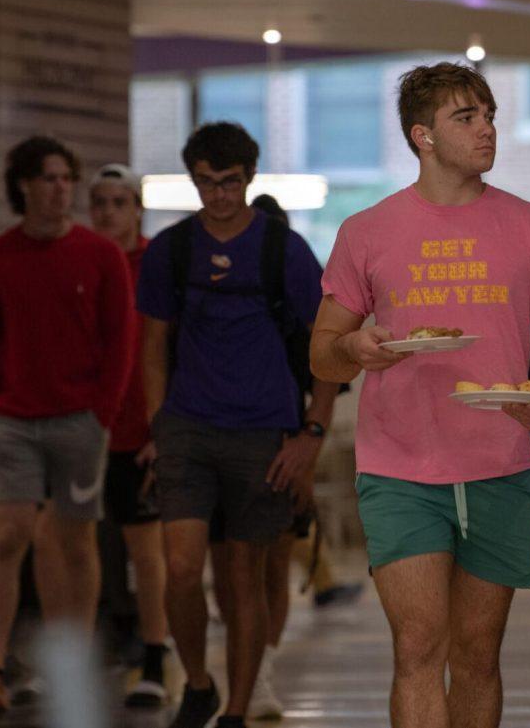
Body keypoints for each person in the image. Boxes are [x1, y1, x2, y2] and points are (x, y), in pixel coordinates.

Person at [311, 62, 530, 728]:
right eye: (466, 117)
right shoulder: (368, 230)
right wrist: (354, 348)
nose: (486, 128)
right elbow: (322, 351)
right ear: (423, 136)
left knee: (475, 655)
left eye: (489, 114)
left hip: (500, 463)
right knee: (416, 647)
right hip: (399, 469)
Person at [138, 122, 327, 728]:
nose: (218, 195)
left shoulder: (283, 250)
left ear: (249, 179)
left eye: (230, 183)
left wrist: (312, 434)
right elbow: (152, 343)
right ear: (193, 180)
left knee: (245, 573)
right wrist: (158, 424)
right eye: (206, 183)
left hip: (264, 431)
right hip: (189, 427)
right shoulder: (172, 248)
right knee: (184, 566)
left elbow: (329, 343)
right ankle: (196, 681)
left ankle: (238, 709)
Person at [0, 137, 134, 716]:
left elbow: (120, 341)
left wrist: (100, 414)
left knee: (75, 540)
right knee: (8, 533)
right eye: (49, 178)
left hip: (79, 420)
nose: (61, 188)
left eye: (66, 178)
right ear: (24, 186)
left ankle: (73, 663)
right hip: (13, 420)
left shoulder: (100, 255)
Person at [208, 191, 345, 721]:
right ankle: (252, 669)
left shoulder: (300, 314)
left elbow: (324, 382)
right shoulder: (222, 302)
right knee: (232, 568)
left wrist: (307, 454)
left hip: (283, 440)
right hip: (226, 437)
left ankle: (261, 669)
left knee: (270, 566)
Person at [87, 163, 170, 707]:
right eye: (100, 202)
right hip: (86, 429)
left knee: (147, 550)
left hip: (141, 429)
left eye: (120, 201)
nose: (109, 212)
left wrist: (162, 429)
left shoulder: (155, 265)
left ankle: (156, 658)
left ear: (136, 207)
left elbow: (167, 351)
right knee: (78, 548)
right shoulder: (81, 261)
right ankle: (90, 653)